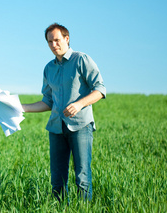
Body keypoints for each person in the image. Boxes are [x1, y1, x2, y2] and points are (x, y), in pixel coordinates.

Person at [22, 23, 106, 202]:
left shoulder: (81, 60)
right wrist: (22, 108)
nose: (54, 45)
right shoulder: (48, 68)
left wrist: (80, 104)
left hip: (81, 126)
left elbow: (100, 90)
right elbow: (47, 102)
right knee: (57, 180)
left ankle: (83, 208)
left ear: (66, 39)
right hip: (56, 129)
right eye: (50, 41)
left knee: (82, 177)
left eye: (57, 40)